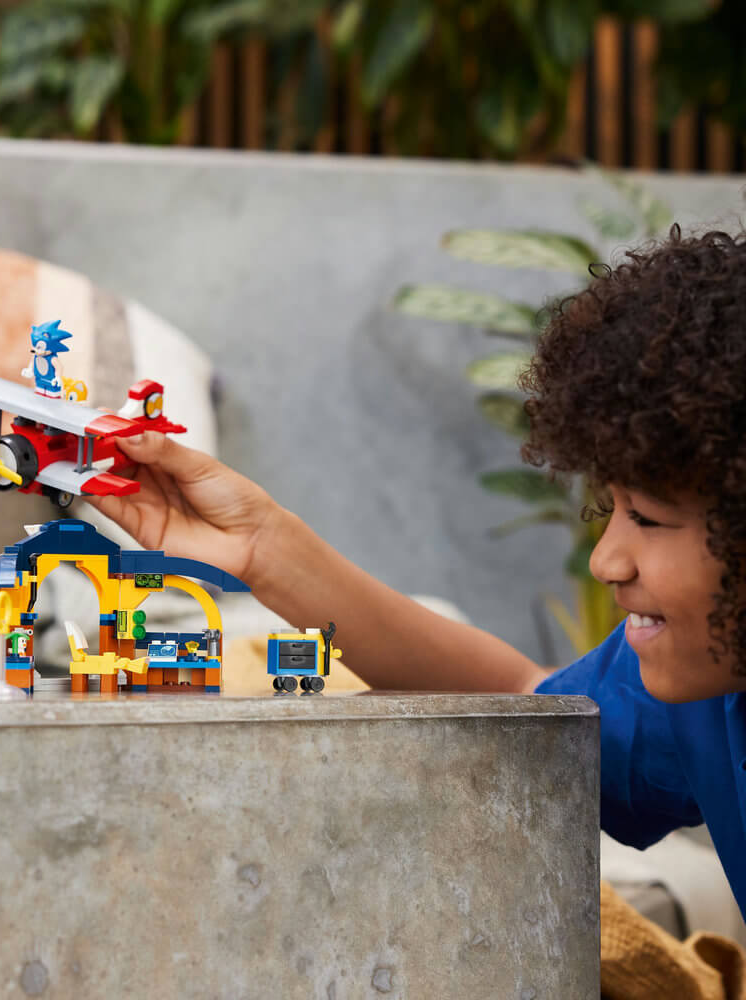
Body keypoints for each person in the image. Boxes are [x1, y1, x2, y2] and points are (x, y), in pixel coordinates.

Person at [86, 225, 746, 918]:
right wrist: (259, 548)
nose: (606, 560)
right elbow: (533, 704)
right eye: (610, 511)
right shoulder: (707, 694)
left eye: (647, 518)